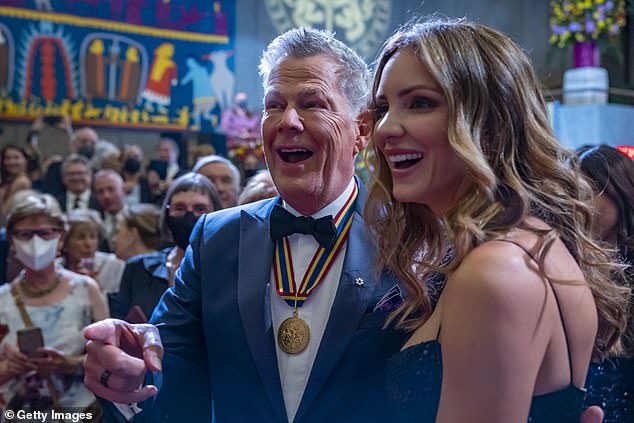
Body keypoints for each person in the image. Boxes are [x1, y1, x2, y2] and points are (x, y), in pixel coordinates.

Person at [82, 27, 606, 423]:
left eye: (311, 103)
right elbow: (165, 370)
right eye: (273, 105)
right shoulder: (215, 236)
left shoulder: (450, 252)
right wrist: (129, 367)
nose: (389, 128)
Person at [364, 18, 628, 423]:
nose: (385, 129)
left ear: (488, 122)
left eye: (419, 103)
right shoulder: (529, 244)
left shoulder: (495, 270)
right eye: (382, 108)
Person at [0, 193, 108, 415]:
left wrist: (71, 364)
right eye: (25, 234)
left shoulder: (86, 289)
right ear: (12, 241)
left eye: (44, 233)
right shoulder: (2, 299)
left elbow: (110, 357)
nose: (35, 242)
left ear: (60, 238)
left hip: (82, 412)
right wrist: (8, 369)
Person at [109, 173, 220, 323]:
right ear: (167, 213)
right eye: (179, 208)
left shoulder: (226, 269)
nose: (189, 216)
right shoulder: (138, 268)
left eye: (200, 208)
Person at [578, 145, 634, 423]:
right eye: (574, 189)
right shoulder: (567, 264)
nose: (581, 201)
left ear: (622, 194)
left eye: (593, 188)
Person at [62, 208, 126, 301]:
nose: (88, 244)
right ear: (66, 242)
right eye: (81, 237)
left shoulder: (114, 265)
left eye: (92, 237)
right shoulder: (57, 267)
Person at [94, 170, 128, 250]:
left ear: (123, 190)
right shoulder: (95, 222)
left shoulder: (136, 219)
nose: (106, 196)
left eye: (111, 189)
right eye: (100, 192)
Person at [0, 144, 32, 227]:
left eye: (16, 158)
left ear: (25, 160)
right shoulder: (9, 180)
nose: (12, 162)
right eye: (8, 158)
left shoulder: (21, 182)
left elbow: (5, 213)